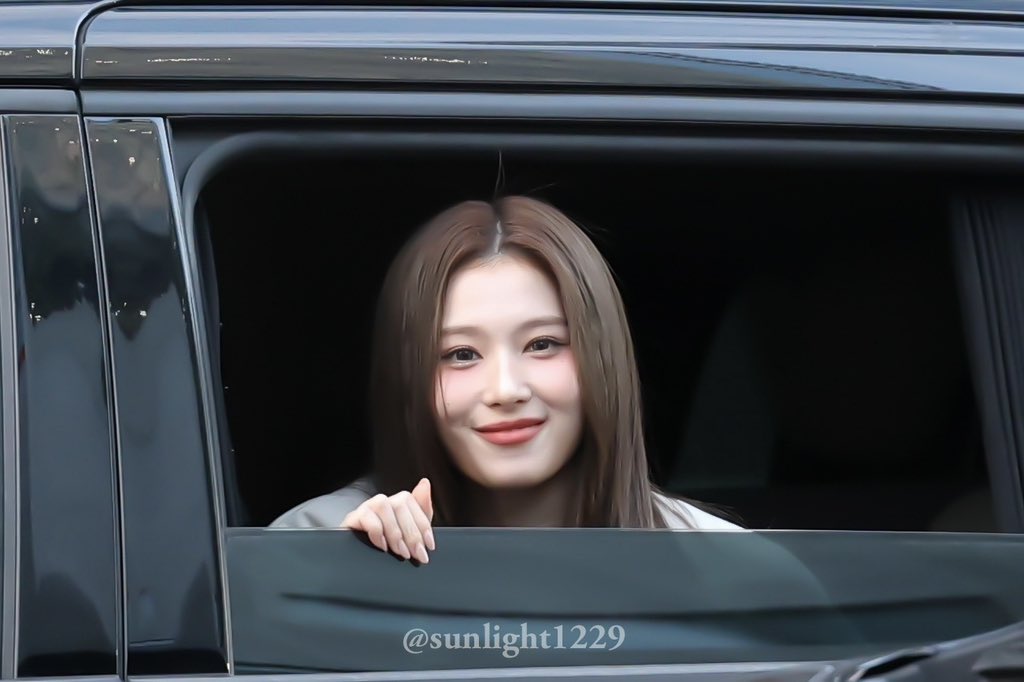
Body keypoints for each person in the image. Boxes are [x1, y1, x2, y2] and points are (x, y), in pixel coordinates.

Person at [271, 196, 742, 561]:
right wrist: (342, 575)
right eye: (460, 354)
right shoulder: (309, 543)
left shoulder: (725, 564)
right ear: (406, 379)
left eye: (542, 344)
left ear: (604, 358)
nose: (505, 390)